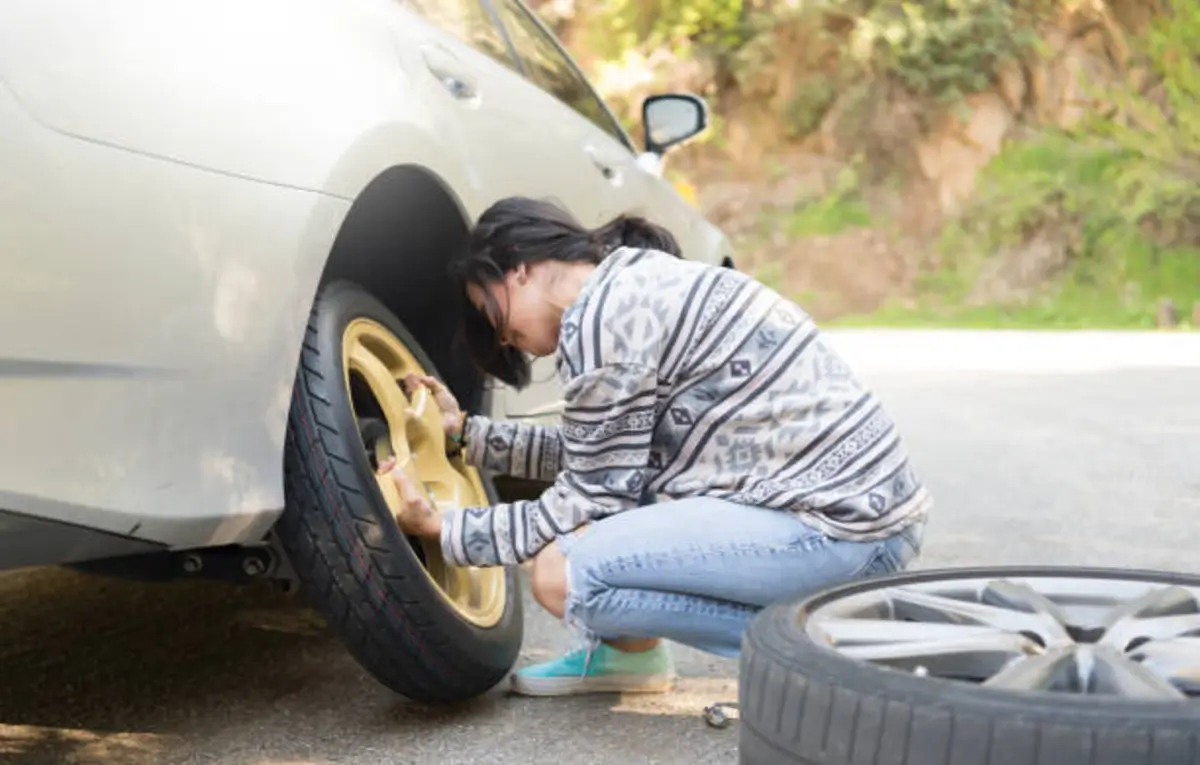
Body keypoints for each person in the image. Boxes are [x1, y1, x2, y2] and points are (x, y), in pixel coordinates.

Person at [379, 196, 931, 698]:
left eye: (490, 311)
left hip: (838, 533)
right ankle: (630, 657)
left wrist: (449, 529)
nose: (501, 339)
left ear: (518, 268)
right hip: (866, 519)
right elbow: (602, 455)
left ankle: (828, 652)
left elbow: (587, 502)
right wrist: (469, 436)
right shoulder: (629, 283)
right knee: (606, 521)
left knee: (563, 572)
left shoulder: (602, 324)